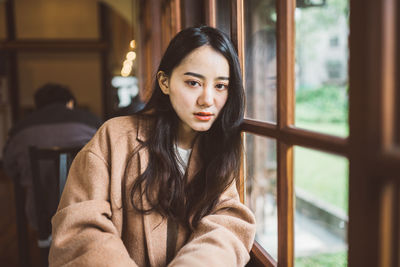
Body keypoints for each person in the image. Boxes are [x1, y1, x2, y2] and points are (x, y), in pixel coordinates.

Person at [49, 26, 256, 266]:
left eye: (220, 86)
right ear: (165, 82)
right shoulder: (114, 136)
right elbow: (80, 228)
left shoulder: (218, 147)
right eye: (193, 83)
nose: (208, 99)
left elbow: (227, 223)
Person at [3, 83, 102, 231]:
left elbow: (9, 167)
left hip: (39, 211)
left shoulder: (20, 129)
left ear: (38, 105)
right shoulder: (92, 123)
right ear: (70, 103)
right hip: (86, 208)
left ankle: (45, 246)